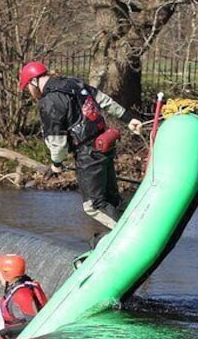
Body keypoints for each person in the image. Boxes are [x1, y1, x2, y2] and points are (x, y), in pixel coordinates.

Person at [18, 61, 143, 230]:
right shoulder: (73, 83)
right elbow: (104, 100)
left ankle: (131, 234)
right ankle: (138, 224)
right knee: (112, 199)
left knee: (94, 205)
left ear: (33, 81)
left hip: (88, 154)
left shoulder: (49, 101)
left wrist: (57, 164)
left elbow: (57, 142)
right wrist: (128, 118)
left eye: (28, 87)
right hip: (105, 146)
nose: (29, 92)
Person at [0, 253, 47, 339]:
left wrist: (6, 332)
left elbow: (35, 324)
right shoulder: (16, 287)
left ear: (7, 273)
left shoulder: (22, 295)